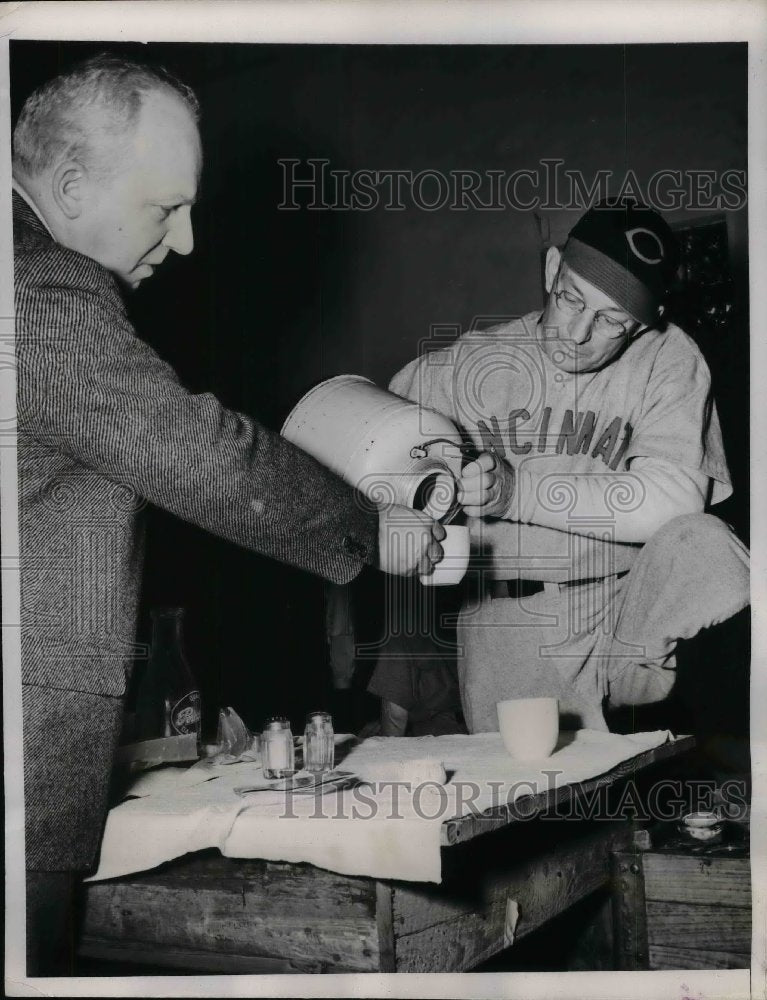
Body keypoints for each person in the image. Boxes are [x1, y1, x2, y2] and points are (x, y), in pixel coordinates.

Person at [12, 53, 445, 975]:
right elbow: (208, 456)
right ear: (72, 181)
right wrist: (385, 532)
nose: (188, 240)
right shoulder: (45, 295)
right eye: (167, 207)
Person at [388, 200, 749, 736]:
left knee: (707, 545)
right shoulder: (465, 364)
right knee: (536, 804)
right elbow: (358, 432)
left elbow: (674, 501)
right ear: (553, 268)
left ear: (646, 323)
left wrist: (518, 493)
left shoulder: (666, 355)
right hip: (505, 621)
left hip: (622, 611)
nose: (577, 333)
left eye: (610, 321)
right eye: (570, 299)